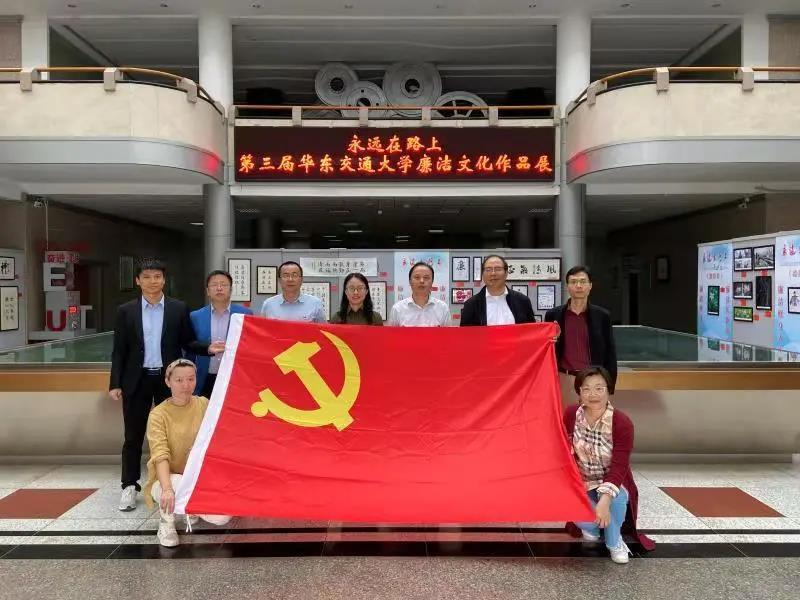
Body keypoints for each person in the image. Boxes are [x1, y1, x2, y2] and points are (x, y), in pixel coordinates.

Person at [109, 259, 225, 512]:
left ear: (164, 280)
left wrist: (208, 348)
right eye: (147, 277)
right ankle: (129, 486)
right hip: (137, 380)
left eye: (157, 277)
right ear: (138, 280)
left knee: (173, 433)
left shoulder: (177, 308)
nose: (152, 281)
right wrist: (115, 383)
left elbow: (188, 341)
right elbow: (119, 351)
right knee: (133, 435)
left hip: (169, 380)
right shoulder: (126, 311)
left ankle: (172, 482)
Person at [563, 366, 654, 562]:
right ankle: (595, 528)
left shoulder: (621, 422)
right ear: (579, 392)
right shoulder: (571, 415)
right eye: (586, 389)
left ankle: (614, 542)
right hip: (581, 481)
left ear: (608, 390)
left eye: (599, 388)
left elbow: (620, 466)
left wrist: (604, 501)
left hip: (610, 479)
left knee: (617, 499)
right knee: (570, 508)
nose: (593, 394)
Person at [144, 358, 231, 547]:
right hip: (168, 479)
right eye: (179, 380)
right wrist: (167, 489)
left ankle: (188, 507)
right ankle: (166, 522)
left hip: (199, 478)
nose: (186, 385)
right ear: (168, 382)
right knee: (175, 485)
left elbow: (219, 435)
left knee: (222, 517)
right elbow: (160, 455)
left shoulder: (203, 404)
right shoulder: (158, 414)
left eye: (191, 379)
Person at [545, 265, 617, 396]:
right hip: (564, 378)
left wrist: (610, 386)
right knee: (566, 410)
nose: (578, 286)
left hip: (593, 379)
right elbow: (547, 349)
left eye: (583, 281)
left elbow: (610, 352)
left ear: (590, 286)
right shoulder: (553, 315)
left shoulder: (602, 316)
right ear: (567, 286)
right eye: (573, 282)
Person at [190, 270, 253, 399]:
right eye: (214, 285)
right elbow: (191, 347)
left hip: (234, 378)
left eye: (224, 284)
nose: (219, 288)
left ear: (231, 290)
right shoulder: (196, 316)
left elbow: (250, 347)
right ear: (208, 291)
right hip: (204, 377)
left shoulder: (245, 314)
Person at [460, 255, 536, 326]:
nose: (493, 273)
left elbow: (531, 331)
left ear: (506, 273)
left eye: (498, 269)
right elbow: (465, 334)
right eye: (488, 269)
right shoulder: (471, 305)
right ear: (482, 274)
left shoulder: (522, 301)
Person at [386, 262, 450, 327]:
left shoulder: (443, 308)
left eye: (426, 278)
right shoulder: (397, 309)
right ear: (410, 281)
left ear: (432, 282)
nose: (422, 281)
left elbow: (448, 333)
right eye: (417, 277)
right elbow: (391, 333)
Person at [260, 261, 326, 323]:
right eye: (286, 275)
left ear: (301, 279)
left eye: (295, 275)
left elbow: (323, 329)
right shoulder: (268, 304)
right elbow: (262, 329)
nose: (290, 279)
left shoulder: (315, 303)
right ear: (279, 280)